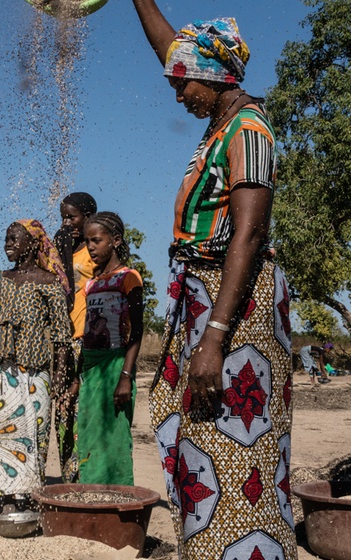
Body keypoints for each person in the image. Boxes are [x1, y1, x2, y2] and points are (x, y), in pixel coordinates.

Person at [131, 3, 298, 558]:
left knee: (234, 436)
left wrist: (216, 335)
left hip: (236, 308)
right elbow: (170, 50)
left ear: (215, 75)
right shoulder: (222, 123)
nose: (179, 96)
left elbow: (248, 236)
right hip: (205, 298)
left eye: (185, 86)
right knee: (199, 433)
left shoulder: (249, 131)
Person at [0, 220, 72, 511]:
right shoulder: (1, 279)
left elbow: (60, 334)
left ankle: (29, 497)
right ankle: (6, 495)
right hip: (5, 368)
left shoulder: (49, 281)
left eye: (14, 238)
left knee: (35, 431)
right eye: (6, 238)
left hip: (38, 369)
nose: (7, 243)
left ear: (32, 244)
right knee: (6, 430)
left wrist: (59, 376)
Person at [73, 212, 143, 485]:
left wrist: (125, 377)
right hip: (90, 368)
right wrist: (78, 379)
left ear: (115, 241)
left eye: (97, 240)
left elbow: (137, 331)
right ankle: (92, 492)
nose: (90, 247)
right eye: (87, 241)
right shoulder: (91, 283)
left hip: (115, 365)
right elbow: (86, 331)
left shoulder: (129, 278)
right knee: (90, 434)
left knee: (114, 436)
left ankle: (117, 495)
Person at [51, 191, 97, 482]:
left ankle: (90, 476)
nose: (67, 223)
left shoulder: (96, 249)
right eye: (63, 218)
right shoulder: (62, 248)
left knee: (85, 408)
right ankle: (70, 478)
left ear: (88, 216)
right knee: (63, 410)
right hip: (63, 340)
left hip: (89, 337)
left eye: (72, 216)